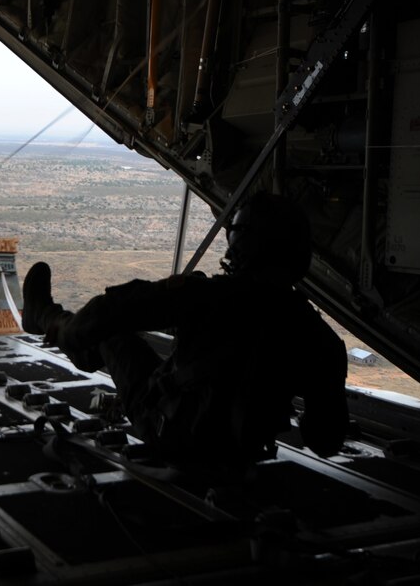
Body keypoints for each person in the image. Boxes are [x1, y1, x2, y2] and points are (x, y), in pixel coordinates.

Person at [22, 193, 349, 478]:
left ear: (243, 243)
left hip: (171, 434)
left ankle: (41, 316)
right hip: (242, 453)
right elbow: (325, 440)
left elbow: (108, 312)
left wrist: (65, 330)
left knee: (112, 335)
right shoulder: (321, 338)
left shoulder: (207, 296)